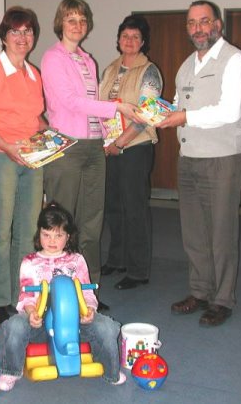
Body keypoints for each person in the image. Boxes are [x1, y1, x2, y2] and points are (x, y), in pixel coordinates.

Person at [40, 0, 145, 308]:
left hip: (94, 147)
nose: (78, 25)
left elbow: (94, 108)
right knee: (62, 221)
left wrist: (116, 129)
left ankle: (88, 294)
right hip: (68, 146)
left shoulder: (89, 61)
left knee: (92, 222)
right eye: (72, 20)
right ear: (61, 23)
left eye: (82, 20)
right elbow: (71, 102)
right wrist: (116, 107)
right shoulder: (52, 58)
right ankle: (58, 292)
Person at [156, 0, 241, 327]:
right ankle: (199, 291)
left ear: (218, 25)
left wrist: (183, 116)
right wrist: (158, 112)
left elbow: (230, 111)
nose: (198, 28)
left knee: (221, 233)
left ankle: (222, 299)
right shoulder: (187, 65)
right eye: (192, 23)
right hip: (190, 159)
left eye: (204, 21)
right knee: (194, 234)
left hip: (222, 160)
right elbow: (178, 104)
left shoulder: (235, 61)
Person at [0, 202, 126, 391]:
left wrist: (88, 310)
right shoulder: (30, 262)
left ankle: (111, 371)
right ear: (39, 234)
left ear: (68, 237)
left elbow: (87, 293)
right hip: (40, 323)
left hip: (76, 323)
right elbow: (26, 297)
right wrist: (32, 313)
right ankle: (10, 371)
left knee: (107, 327)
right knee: (15, 325)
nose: (52, 240)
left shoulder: (77, 260)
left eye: (58, 235)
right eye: (46, 234)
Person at [0, 6, 47, 325]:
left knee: (28, 231)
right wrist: (6, 146)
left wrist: (52, 136)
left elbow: (34, 118)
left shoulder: (34, 74)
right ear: (4, 36)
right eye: (15, 31)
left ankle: (21, 295)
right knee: (1, 231)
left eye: (28, 31)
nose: (22, 37)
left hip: (31, 157)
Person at [99, 15, 163, 290]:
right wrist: (105, 143)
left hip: (135, 147)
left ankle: (138, 270)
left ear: (143, 41)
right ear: (118, 39)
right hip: (109, 147)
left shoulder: (149, 71)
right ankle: (117, 259)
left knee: (134, 207)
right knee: (113, 205)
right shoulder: (111, 69)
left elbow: (148, 115)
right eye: (125, 36)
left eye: (136, 37)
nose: (130, 41)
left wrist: (121, 143)